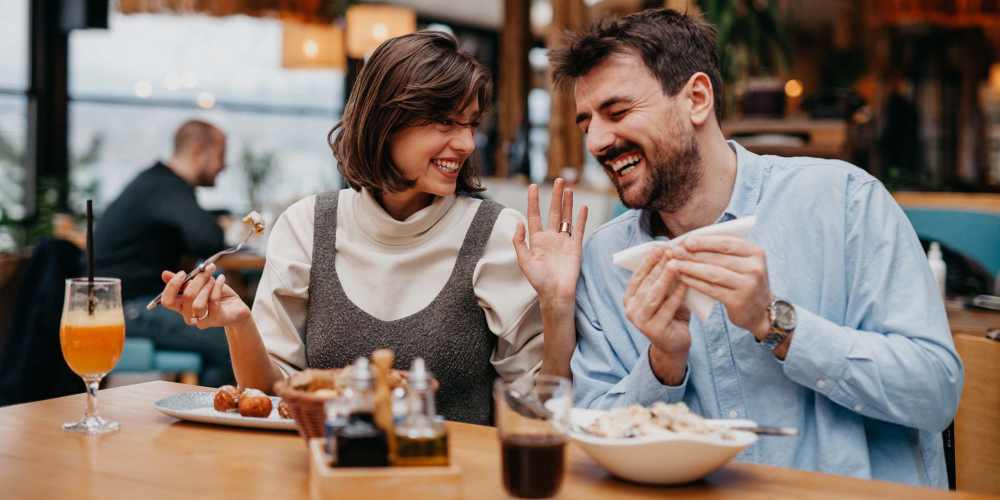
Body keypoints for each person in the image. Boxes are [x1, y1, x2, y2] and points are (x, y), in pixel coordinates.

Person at [519, 8, 963, 489]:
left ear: (696, 99)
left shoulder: (845, 202)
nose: (598, 141)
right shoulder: (605, 260)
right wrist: (662, 365)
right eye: (586, 124)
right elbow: (592, 424)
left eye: (618, 112)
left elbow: (936, 391)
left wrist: (776, 324)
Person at [155, 31, 581, 425]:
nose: (468, 143)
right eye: (446, 123)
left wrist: (558, 307)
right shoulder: (308, 226)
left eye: (470, 124)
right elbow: (270, 398)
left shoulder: (498, 234)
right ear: (386, 123)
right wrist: (239, 324)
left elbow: (538, 406)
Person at [95, 119, 234, 387]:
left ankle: (202, 411)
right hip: (129, 308)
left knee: (225, 333)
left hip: (129, 302)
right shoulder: (166, 187)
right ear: (198, 151)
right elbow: (208, 239)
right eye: (220, 155)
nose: (223, 166)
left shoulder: (156, 184)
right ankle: (210, 420)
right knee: (231, 343)